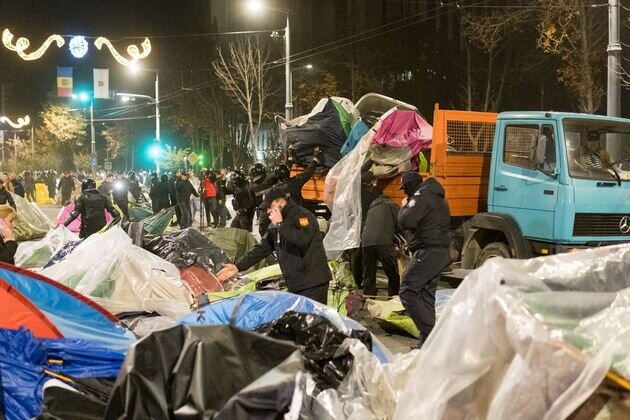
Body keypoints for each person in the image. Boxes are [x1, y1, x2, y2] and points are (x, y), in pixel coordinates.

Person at [217, 187, 331, 304]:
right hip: (295, 284)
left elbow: (302, 240)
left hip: (313, 283)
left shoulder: (303, 216)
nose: (267, 211)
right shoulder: (276, 224)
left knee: (315, 321)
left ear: (280, 202)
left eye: (269, 207)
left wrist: (280, 224)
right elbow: (262, 248)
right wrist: (238, 266)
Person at [397, 172, 451, 350]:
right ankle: (427, 342)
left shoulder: (422, 196)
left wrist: (404, 207)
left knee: (408, 291)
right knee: (426, 295)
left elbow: (406, 220)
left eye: (405, 189)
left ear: (410, 186)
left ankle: (430, 334)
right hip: (439, 251)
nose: (405, 193)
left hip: (428, 251)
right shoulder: (437, 196)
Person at [361, 191, 401, 298]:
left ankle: (370, 297)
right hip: (383, 242)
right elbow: (401, 222)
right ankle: (393, 296)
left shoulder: (371, 208)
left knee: (369, 272)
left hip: (366, 242)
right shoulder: (391, 205)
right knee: (392, 272)